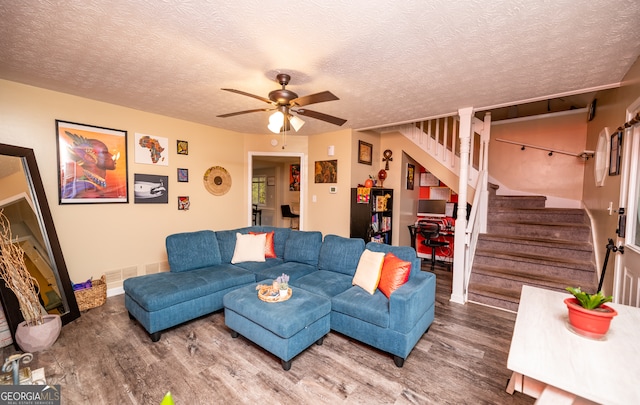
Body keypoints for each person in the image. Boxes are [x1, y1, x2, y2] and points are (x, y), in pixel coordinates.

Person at [61, 131, 118, 199]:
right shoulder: (85, 188)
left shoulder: (91, 185)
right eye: (105, 152)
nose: (111, 155)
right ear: (90, 157)